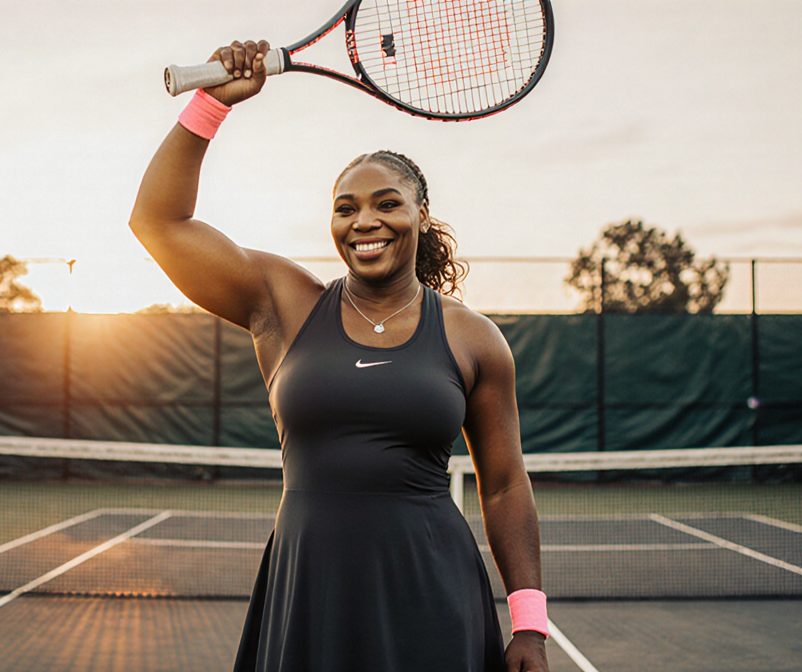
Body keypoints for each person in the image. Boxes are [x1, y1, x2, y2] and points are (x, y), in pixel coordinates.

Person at [130, 39, 549, 672]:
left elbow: (504, 484)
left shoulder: (473, 337)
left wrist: (529, 625)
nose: (364, 222)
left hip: (431, 590)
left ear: (421, 216)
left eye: (387, 204)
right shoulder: (284, 303)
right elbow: (157, 222)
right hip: (309, 591)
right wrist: (211, 105)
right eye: (345, 207)